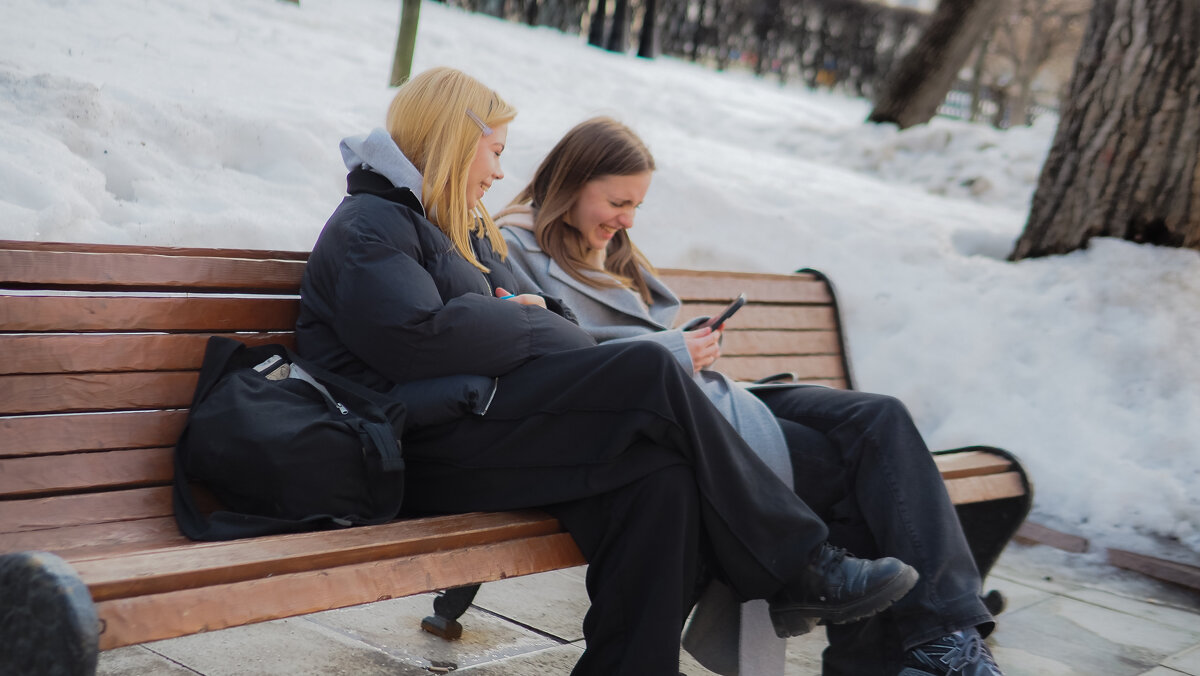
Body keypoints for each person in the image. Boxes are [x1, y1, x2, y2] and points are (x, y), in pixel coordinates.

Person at [295, 67, 920, 676]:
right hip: (414, 448)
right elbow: (419, 344)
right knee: (648, 366)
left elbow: (553, 319)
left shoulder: (463, 228)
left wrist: (515, 319)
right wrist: (524, 322)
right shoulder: (371, 227)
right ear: (455, 145)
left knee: (663, 478)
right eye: (493, 151)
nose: (500, 171)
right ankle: (799, 563)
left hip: (482, 425)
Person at [497, 116, 1006, 676]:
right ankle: (928, 649)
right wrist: (672, 351)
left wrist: (688, 341)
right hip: (662, 414)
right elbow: (552, 353)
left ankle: (946, 635)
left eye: (637, 205)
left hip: (709, 395)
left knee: (878, 416)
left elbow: (645, 332)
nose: (627, 219)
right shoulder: (515, 248)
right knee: (853, 476)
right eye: (618, 201)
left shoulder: (612, 250)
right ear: (572, 183)